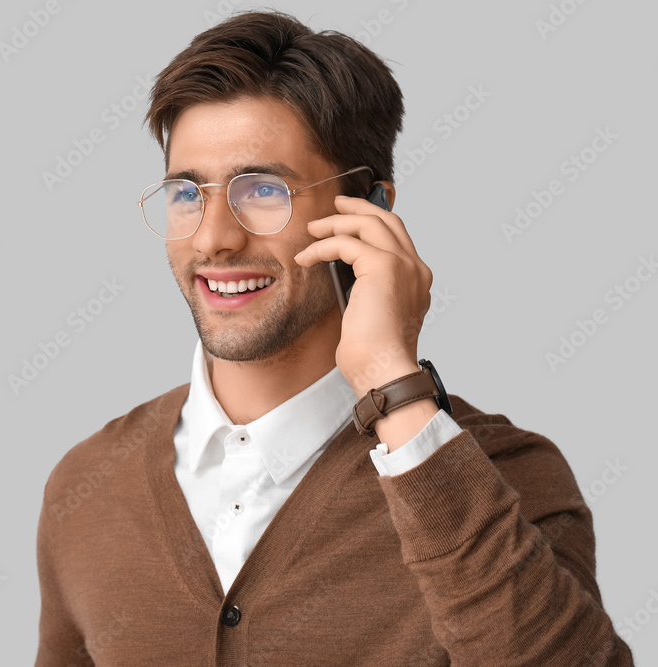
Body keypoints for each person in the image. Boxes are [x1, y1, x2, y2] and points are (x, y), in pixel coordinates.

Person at [35, 10, 633, 666]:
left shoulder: (508, 478)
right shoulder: (86, 483)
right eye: (187, 193)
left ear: (369, 209)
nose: (213, 238)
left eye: (263, 189)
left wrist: (391, 383)